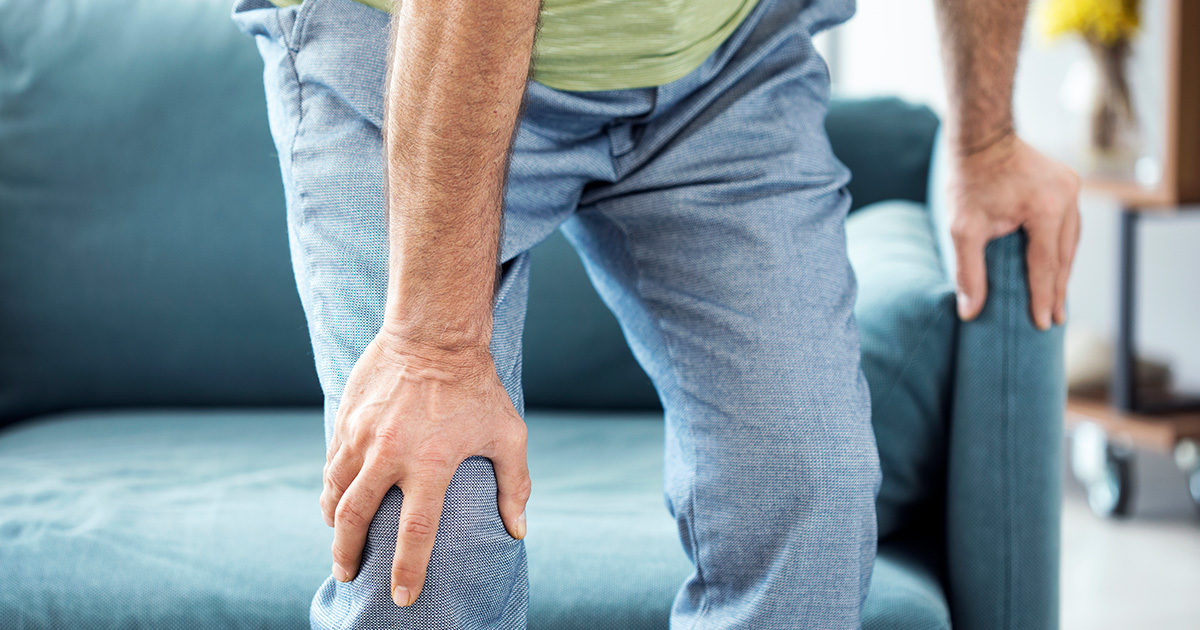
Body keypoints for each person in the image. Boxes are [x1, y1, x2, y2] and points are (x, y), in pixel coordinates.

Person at [232, 0, 1080, 626]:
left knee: (806, 486)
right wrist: (434, 345)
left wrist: (985, 138)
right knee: (424, 532)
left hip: (718, 56)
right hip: (404, 44)